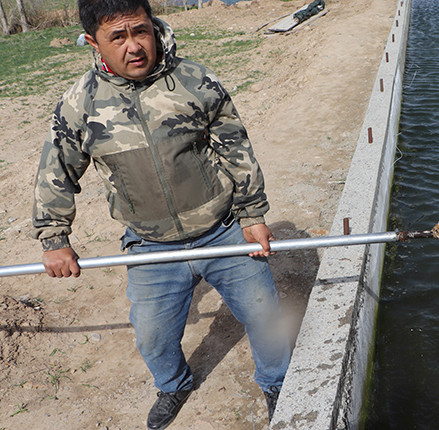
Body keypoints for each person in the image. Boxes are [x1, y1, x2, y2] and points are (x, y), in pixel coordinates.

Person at [31, 0, 290, 428]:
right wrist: (55, 239)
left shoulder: (194, 80)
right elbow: (55, 171)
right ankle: (174, 385)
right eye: (118, 36)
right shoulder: (80, 104)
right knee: (152, 337)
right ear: (94, 42)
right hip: (149, 247)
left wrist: (252, 214)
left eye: (141, 31)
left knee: (265, 315)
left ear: (153, 27)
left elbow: (236, 147)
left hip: (221, 230)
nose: (134, 46)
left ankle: (276, 381)